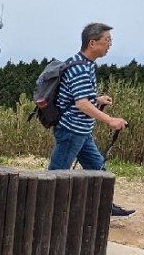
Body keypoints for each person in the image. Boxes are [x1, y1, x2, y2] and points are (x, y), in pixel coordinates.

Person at [48, 22, 135, 217]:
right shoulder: (80, 68)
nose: (110, 44)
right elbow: (81, 104)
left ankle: (105, 207)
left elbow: (80, 97)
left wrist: (97, 99)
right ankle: (44, 211)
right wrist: (110, 120)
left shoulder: (85, 64)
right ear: (92, 43)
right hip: (71, 130)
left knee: (98, 169)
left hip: (81, 131)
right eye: (107, 40)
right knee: (56, 174)